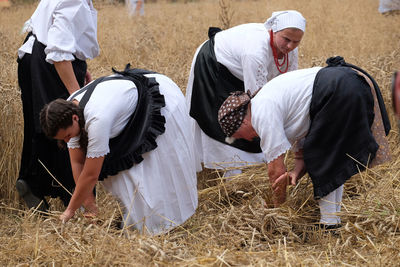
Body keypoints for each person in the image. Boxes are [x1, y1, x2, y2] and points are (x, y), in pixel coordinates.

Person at [217, 57, 391, 228]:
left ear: (242, 122)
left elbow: (276, 171)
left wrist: (277, 210)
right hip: (347, 83)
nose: (248, 139)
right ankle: (333, 220)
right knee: (333, 161)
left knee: (323, 159)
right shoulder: (267, 103)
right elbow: (301, 144)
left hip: (336, 89)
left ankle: (329, 225)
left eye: (240, 136)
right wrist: (297, 172)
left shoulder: (261, 113)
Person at [40, 66, 198, 235]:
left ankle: (165, 224)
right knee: (120, 179)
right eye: (63, 139)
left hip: (161, 102)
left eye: (67, 136)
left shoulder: (97, 119)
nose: (67, 141)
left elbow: (91, 174)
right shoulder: (70, 110)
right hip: (124, 114)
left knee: (154, 170)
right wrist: (90, 206)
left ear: (74, 118)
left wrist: (70, 211)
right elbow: (77, 162)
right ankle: (135, 226)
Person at [186, 10, 306, 175]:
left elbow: (290, 85)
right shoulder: (255, 51)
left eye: (296, 42)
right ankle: (231, 171)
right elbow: (260, 102)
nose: (290, 46)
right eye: (286, 39)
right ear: (274, 30)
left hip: (240, 72)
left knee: (254, 122)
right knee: (230, 119)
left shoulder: (290, 49)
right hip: (215, 65)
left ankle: (253, 165)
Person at [16, 0, 100, 211]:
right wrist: (77, 95)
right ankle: (75, 196)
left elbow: (60, 35)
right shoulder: (76, 1)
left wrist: (81, 68)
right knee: (69, 127)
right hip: (49, 63)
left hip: (34, 57)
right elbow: (59, 52)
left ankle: (32, 181)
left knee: (42, 124)